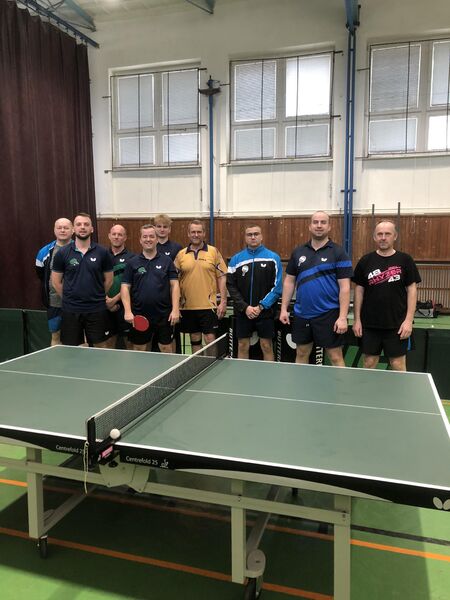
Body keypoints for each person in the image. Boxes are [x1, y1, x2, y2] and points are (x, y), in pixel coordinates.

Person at [279, 211, 352, 366]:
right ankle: (302, 383)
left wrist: (342, 317)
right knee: (301, 352)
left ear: (329, 227)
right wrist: (284, 309)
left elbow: (345, 287)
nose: (319, 225)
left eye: (323, 222)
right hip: (302, 313)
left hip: (329, 313)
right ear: (310, 226)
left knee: (335, 356)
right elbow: (289, 282)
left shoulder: (339, 252)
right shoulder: (298, 252)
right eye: (316, 222)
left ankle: (342, 384)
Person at [352, 220, 421, 371]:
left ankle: (399, 390)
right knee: (369, 363)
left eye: (387, 234)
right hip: (369, 324)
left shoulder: (405, 260)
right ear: (374, 237)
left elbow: (412, 290)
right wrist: (357, 320)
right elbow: (359, 291)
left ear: (395, 236)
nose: (383, 237)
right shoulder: (365, 261)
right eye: (379, 234)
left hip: (397, 324)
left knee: (398, 364)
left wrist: (408, 321)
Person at [51, 213, 113, 347]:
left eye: (86, 224)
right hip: (71, 309)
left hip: (96, 309)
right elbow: (56, 282)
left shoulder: (103, 252)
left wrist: (97, 295)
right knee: (71, 349)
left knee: (101, 346)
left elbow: (109, 280)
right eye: (79, 224)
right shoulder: (62, 253)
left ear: (92, 229)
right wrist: (69, 298)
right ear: (74, 229)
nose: (83, 227)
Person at [121, 224, 180, 352]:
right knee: (140, 348)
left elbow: (175, 285)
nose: (148, 239)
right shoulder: (132, 262)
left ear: (157, 239)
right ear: (140, 240)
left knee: (166, 347)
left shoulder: (167, 261)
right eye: (145, 237)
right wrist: (127, 311)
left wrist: (175, 309)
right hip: (139, 314)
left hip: (164, 314)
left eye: (152, 236)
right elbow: (125, 287)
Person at [227, 225, 282, 360]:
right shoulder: (236, 259)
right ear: (245, 238)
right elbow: (231, 286)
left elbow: (277, 287)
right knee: (242, 345)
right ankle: (243, 373)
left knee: (266, 345)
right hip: (243, 312)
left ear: (261, 236)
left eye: (256, 234)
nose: (253, 237)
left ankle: (269, 373)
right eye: (249, 234)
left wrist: (261, 306)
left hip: (265, 312)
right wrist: (245, 307)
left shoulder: (273, 258)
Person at [174, 219, 227, 353]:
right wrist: (176, 305)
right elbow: (174, 281)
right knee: (195, 339)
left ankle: (212, 364)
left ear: (204, 233)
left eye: (199, 232)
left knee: (210, 339)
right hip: (188, 306)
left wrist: (223, 302)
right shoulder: (181, 255)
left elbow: (222, 277)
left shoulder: (213, 252)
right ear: (188, 234)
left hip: (209, 305)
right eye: (193, 232)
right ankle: (197, 364)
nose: (196, 235)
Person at [35, 218, 73, 345]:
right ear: (54, 230)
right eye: (59, 227)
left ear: (72, 230)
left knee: (81, 337)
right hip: (54, 303)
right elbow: (41, 274)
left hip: (78, 303)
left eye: (66, 228)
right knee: (56, 336)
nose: (62, 230)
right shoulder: (44, 252)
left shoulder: (80, 249)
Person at [106, 224, 135, 348]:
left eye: (120, 234)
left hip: (125, 308)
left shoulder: (132, 258)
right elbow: (97, 281)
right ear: (109, 236)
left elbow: (132, 284)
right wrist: (107, 301)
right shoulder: (102, 255)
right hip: (105, 306)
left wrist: (114, 301)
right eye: (114, 234)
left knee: (130, 344)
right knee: (108, 344)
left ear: (125, 237)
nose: (116, 237)